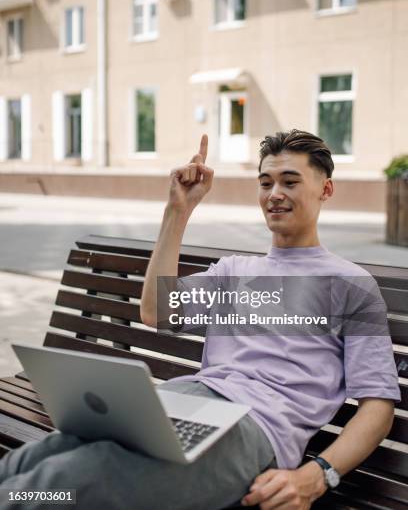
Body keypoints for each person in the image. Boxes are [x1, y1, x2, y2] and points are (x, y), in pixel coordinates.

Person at [0, 130, 400, 510]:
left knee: (65, 483)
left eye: (290, 182)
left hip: (256, 428)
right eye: (265, 183)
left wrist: (318, 475)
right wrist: (178, 210)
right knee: (37, 458)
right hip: (183, 401)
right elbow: (157, 311)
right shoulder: (233, 271)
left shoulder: (351, 285)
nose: (274, 194)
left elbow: (377, 405)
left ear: (325, 189)